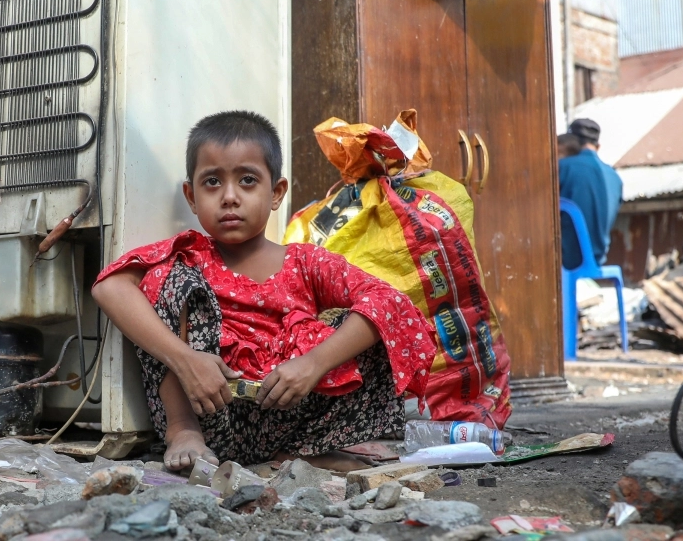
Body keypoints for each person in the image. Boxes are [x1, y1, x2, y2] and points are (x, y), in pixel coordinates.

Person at [92, 111, 435, 472]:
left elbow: (389, 300)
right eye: (212, 182)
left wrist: (312, 364)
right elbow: (110, 286)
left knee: (372, 319)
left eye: (247, 181)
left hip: (288, 412)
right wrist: (186, 359)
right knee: (167, 278)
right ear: (191, 197)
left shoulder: (305, 262)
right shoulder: (189, 256)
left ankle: (301, 450)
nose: (229, 197)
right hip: (209, 415)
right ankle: (182, 431)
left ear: (276, 192)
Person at [558, 118, 623, 269]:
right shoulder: (615, 177)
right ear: (598, 146)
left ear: (571, 143)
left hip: (566, 262)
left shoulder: (562, 167)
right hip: (596, 262)